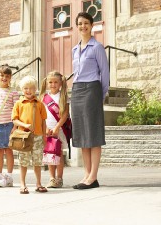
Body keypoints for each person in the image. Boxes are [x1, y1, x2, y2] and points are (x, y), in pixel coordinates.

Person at [71, 12, 109, 190]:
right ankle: (86, 174)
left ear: (91, 25)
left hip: (92, 90)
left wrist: (100, 96)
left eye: (86, 23)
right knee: (81, 135)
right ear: (76, 26)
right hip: (77, 90)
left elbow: (105, 75)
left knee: (92, 135)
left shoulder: (97, 47)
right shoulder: (74, 49)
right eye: (80, 23)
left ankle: (93, 176)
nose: (83, 26)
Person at [12, 75, 48, 194]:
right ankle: (22, 184)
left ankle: (38, 184)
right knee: (23, 161)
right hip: (24, 137)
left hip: (37, 136)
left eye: (31, 88)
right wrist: (25, 125)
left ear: (35, 89)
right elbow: (14, 120)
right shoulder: (19, 103)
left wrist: (44, 136)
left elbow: (43, 121)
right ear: (22, 90)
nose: (29, 91)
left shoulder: (39, 104)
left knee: (37, 161)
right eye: (26, 88)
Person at [39, 70, 70, 188]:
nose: (53, 84)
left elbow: (65, 114)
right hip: (47, 129)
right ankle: (52, 178)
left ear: (60, 83)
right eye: (50, 82)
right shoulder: (43, 97)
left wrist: (57, 127)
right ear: (47, 83)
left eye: (55, 82)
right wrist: (45, 127)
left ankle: (59, 178)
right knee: (49, 154)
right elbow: (40, 115)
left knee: (59, 154)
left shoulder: (63, 96)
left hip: (59, 129)